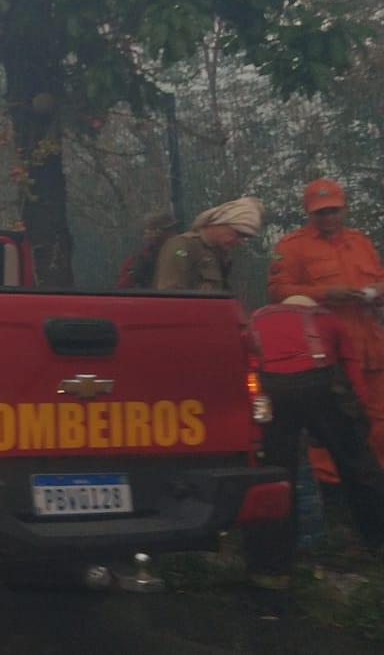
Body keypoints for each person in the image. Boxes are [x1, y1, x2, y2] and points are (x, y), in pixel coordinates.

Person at [243, 295, 384, 612]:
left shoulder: (256, 320)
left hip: (271, 391)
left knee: (275, 477)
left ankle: (270, 570)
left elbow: (248, 365)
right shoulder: (327, 319)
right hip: (320, 384)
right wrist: (355, 416)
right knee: (357, 465)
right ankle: (377, 539)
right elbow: (351, 368)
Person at [269, 178, 384, 481]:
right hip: (327, 352)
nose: (329, 218)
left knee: (379, 419)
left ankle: (374, 487)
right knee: (329, 422)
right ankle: (333, 492)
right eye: (321, 212)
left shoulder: (360, 242)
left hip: (371, 349)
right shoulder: (292, 247)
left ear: (343, 209)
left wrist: (376, 290)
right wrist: (325, 294)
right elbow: (279, 292)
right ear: (309, 213)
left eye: (333, 210)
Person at [152, 196, 264, 291]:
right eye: (238, 233)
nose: (240, 241)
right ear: (220, 222)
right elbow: (170, 297)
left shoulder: (218, 256)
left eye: (245, 237)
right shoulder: (182, 246)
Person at [117, 210, 179, 289]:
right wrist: (133, 273)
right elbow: (122, 288)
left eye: (173, 230)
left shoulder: (179, 251)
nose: (174, 233)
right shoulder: (141, 258)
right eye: (168, 230)